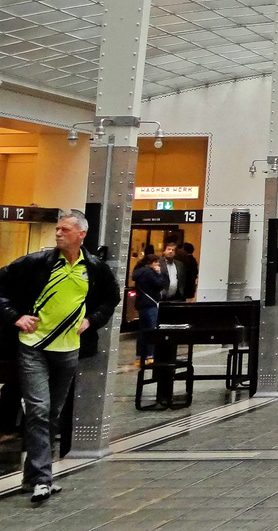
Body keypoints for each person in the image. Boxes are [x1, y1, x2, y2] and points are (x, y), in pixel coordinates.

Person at [0, 210, 120, 504]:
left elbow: (111, 297)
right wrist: (16, 317)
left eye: (65, 229)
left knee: (52, 412)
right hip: (33, 346)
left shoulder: (92, 267)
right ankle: (43, 479)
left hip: (68, 349)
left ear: (81, 234)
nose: (58, 233)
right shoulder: (37, 263)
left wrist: (92, 320)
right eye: (57, 229)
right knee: (39, 410)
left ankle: (33, 476)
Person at [130, 254, 165, 364]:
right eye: (156, 262)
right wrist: (159, 274)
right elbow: (160, 284)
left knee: (142, 331)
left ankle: (139, 356)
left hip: (141, 304)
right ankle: (150, 355)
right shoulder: (150, 272)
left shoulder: (139, 272)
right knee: (152, 329)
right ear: (152, 262)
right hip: (151, 304)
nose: (158, 264)